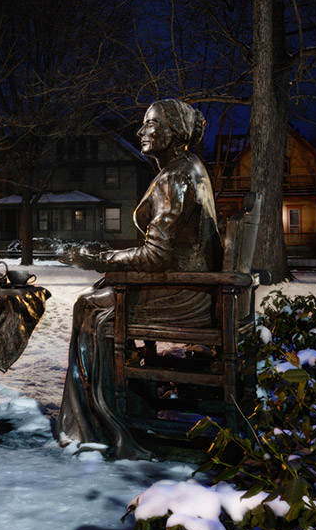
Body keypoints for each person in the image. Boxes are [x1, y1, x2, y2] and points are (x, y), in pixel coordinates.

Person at [57, 99, 221, 459]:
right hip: (194, 286)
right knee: (100, 295)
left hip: (184, 294)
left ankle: (99, 421)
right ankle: (116, 405)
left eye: (150, 124)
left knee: (89, 307)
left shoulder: (175, 177)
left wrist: (99, 259)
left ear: (174, 133)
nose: (141, 131)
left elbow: (156, 256)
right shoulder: (188, 168)